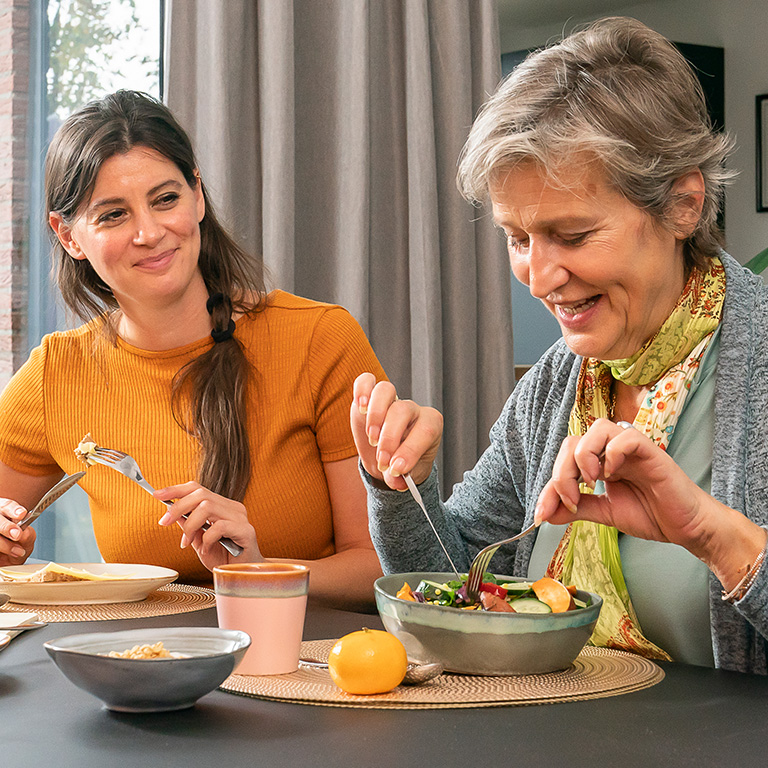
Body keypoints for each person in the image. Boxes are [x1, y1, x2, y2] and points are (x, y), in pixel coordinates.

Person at [351, 16, 768, 673]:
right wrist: (399, 484)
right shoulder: (557, 384)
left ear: (684, 205)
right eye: (518, 238)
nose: (538, 278)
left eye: (572, 236)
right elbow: (463, 590)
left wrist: (713, 536)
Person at [0, 90, 386, 611]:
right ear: (67, 235)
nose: (150, 232)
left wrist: (257, 570)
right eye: (113, 215)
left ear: (197, 196)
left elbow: (381, 568)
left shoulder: (320, 338)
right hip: (140, 665)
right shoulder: (56, 373)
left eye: (166, 199)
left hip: (305, 664)